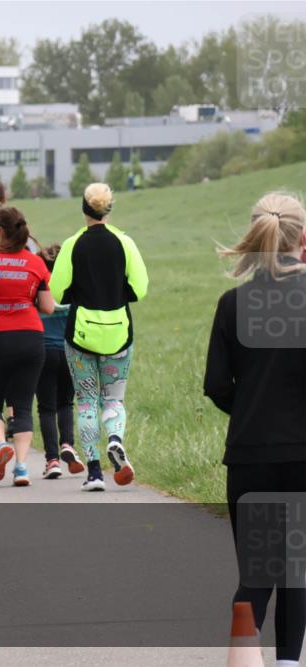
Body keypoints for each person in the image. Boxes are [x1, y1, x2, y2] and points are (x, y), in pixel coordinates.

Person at [203, 192, 305, 667]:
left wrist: (249, 410)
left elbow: (216, 386)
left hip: (250, 456)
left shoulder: (233, 304)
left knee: (257, 576)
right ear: (302, 239)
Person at [50, 183, 148, 492]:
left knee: (86, 402)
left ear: (84, 208)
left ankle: (94, 473)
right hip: (119, 331)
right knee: (113, 399)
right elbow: (140, 288)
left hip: (81, 334)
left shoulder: (72, 244)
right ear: (108, 209)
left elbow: (57, 292)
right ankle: (115, 439)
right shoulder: (125, 242)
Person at [0, 207, 54, 486]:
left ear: (0, 230)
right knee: (23, 406)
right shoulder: (36, 263)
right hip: (31, 338)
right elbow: (48, 307)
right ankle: (22, 467)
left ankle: (1, 444)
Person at [35, 244, 85, 479]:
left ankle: (52, 460)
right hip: (69, 352)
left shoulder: (38, 287)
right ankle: (68, 444)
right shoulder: (73, 287)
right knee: (66, 403)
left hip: (44, 351)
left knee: (46, 408)